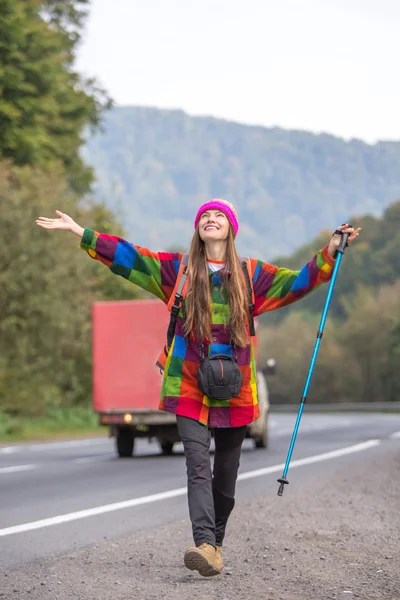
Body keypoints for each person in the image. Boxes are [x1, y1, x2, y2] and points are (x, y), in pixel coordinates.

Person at [36, 200, 360, 577]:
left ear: (231, 228)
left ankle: (215, 546)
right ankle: (205, 542)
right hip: (187, 382)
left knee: (226, 473)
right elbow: (132, 258)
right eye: (205, 215)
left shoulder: (250, 274)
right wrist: (84, 234)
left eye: (219, 215)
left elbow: (298, 281)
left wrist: (331, 249)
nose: (211, 219)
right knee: (196, 465)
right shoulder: (179, 271)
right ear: (198, 228)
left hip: (235, 388)